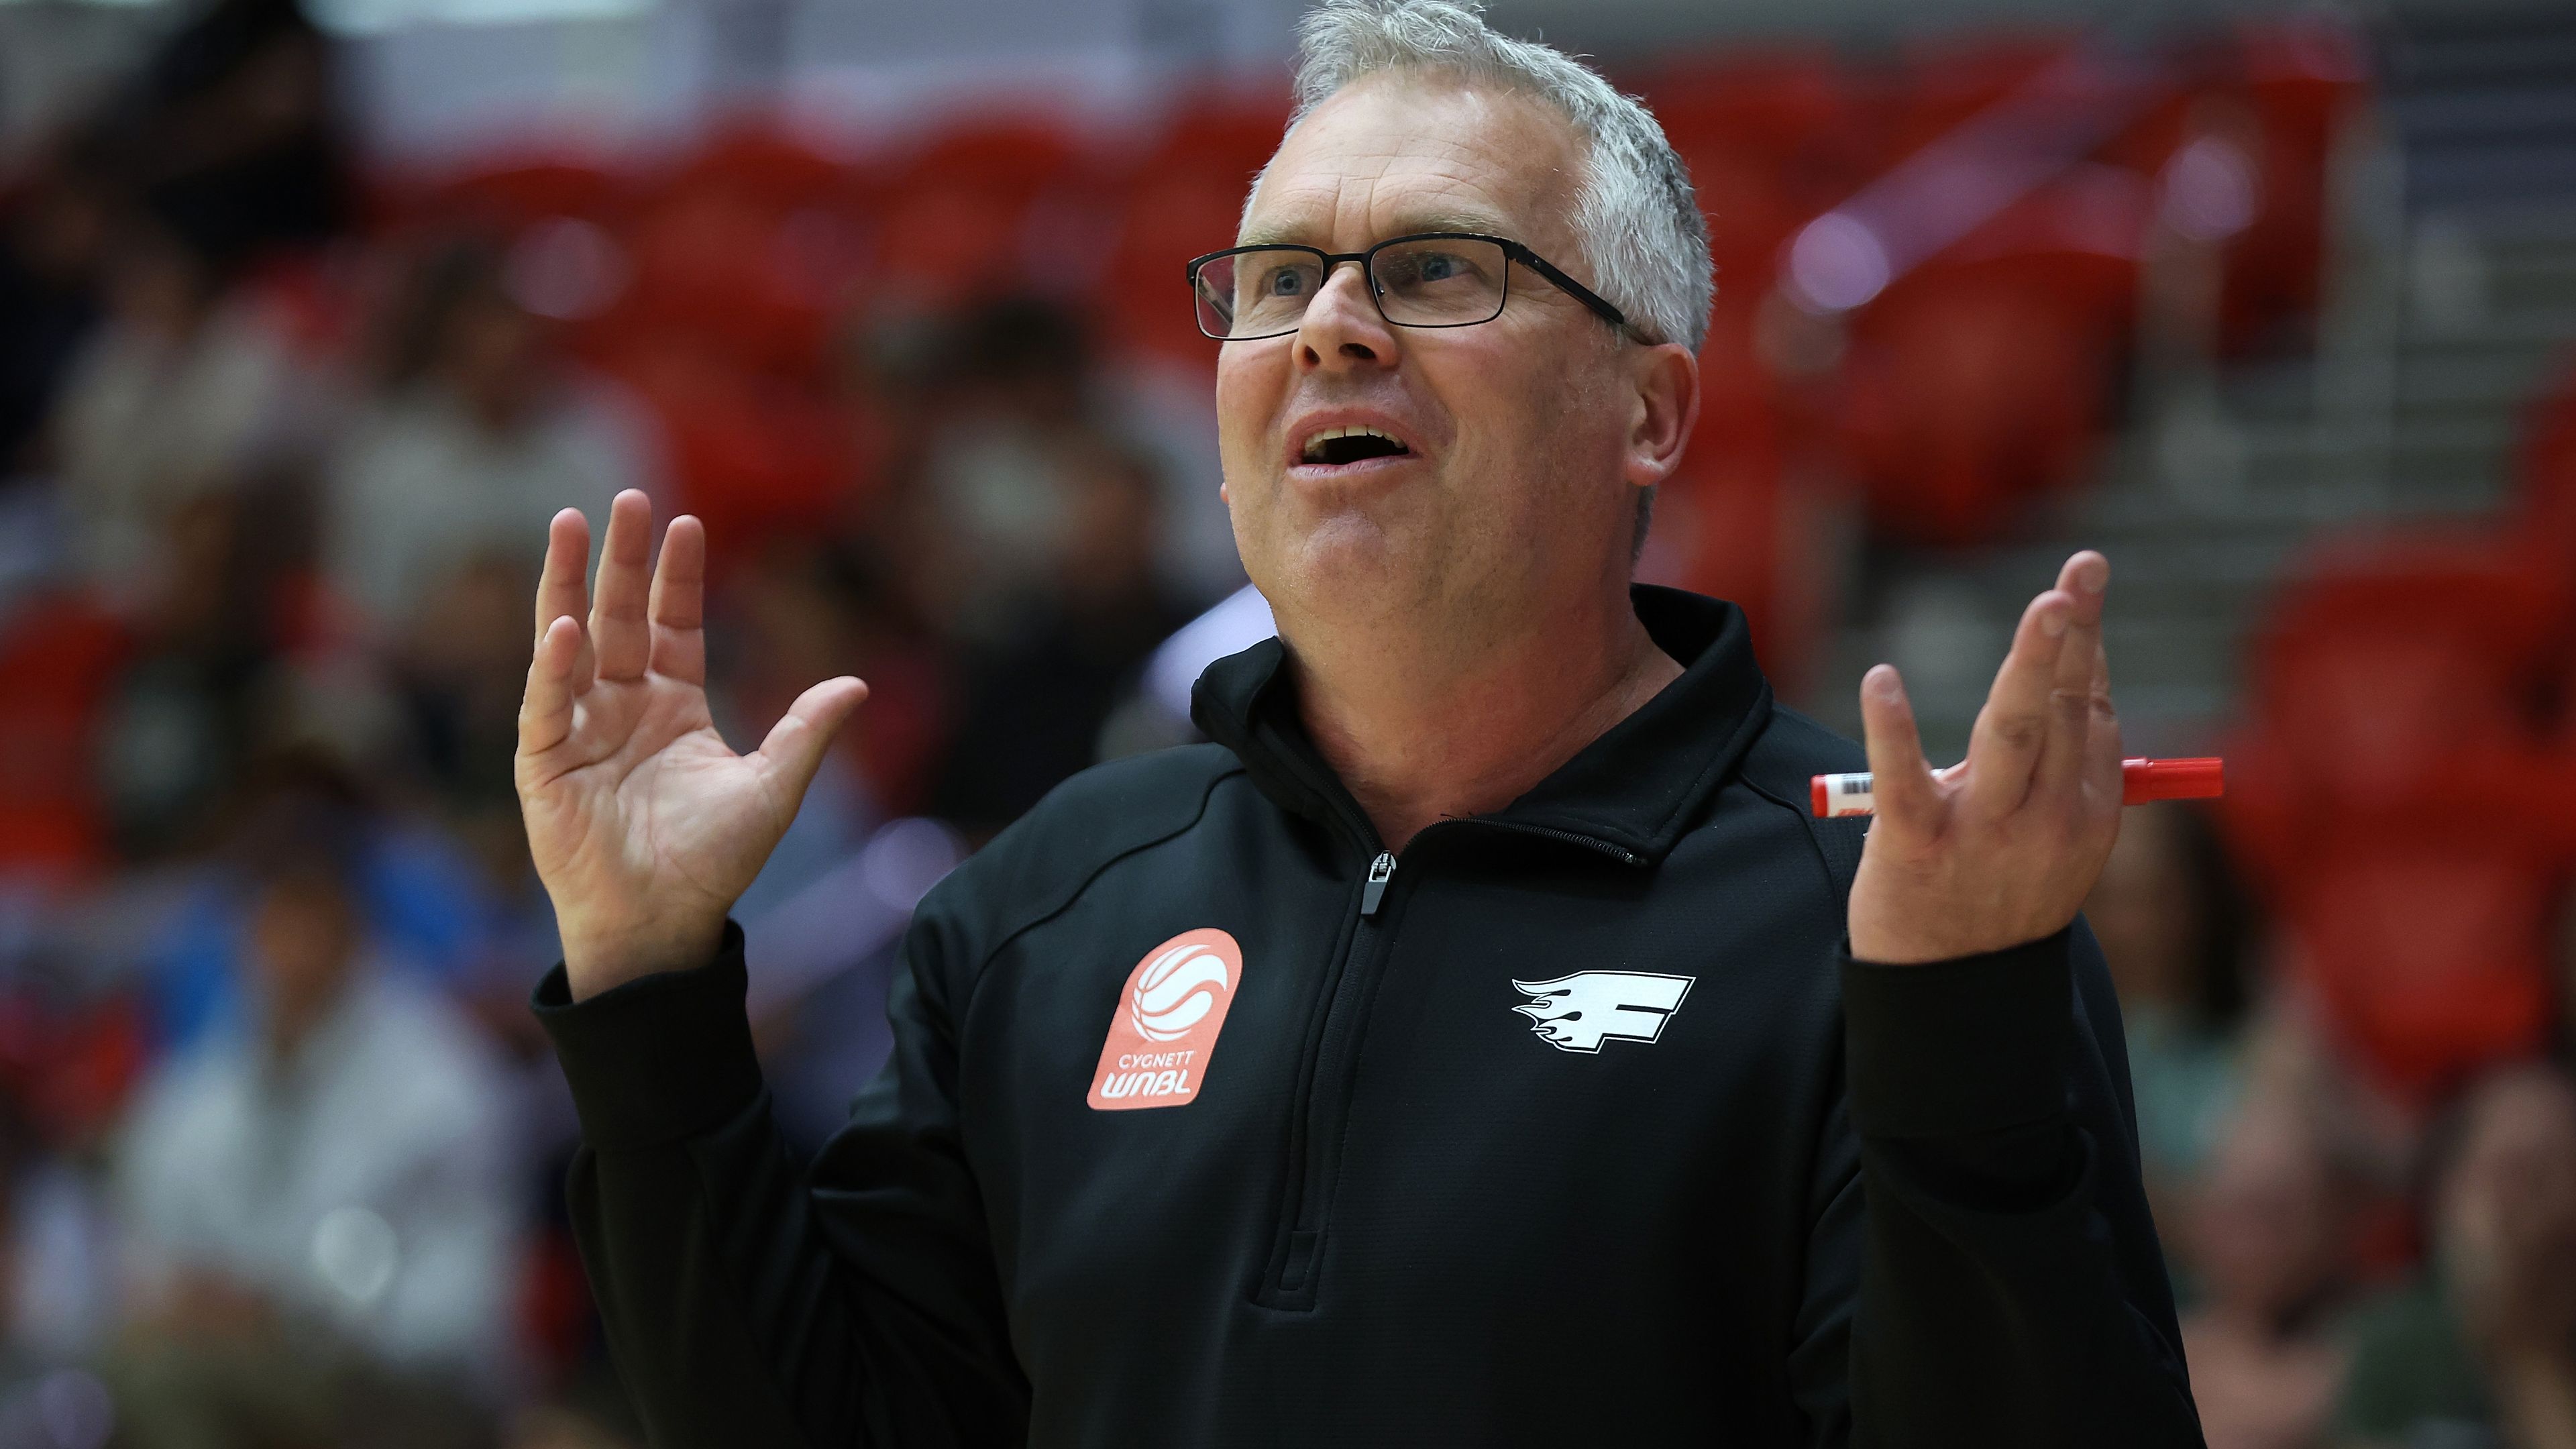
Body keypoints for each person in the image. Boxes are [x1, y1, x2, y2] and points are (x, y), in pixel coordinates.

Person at [514, 2, 2202, 1442]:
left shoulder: (1893, 912)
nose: (1325, 324)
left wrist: (1956, 1038)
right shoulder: (1040, 909)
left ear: (1649, 408)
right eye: (1272, 282)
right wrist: (649, 984)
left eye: (1436, 267)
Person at [111, 789, 517, 1444]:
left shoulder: (443, 1079)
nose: (291, 940)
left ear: (354, 922)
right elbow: (150, 1258)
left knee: (170, 1386)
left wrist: (286, 1313)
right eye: (274, 912)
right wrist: (189, 1302)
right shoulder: (206, 1079)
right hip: (247, 1371)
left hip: (415, 1393)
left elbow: (461, 1316)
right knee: (127, 1373)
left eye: (312, 912)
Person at [2337, 1065, 2576, 1449]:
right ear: (2450, 1195)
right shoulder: (2399, 1343)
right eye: (2510, 1174)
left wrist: (2530, 1349)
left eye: (2549, 1174)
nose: (2531, 1213)